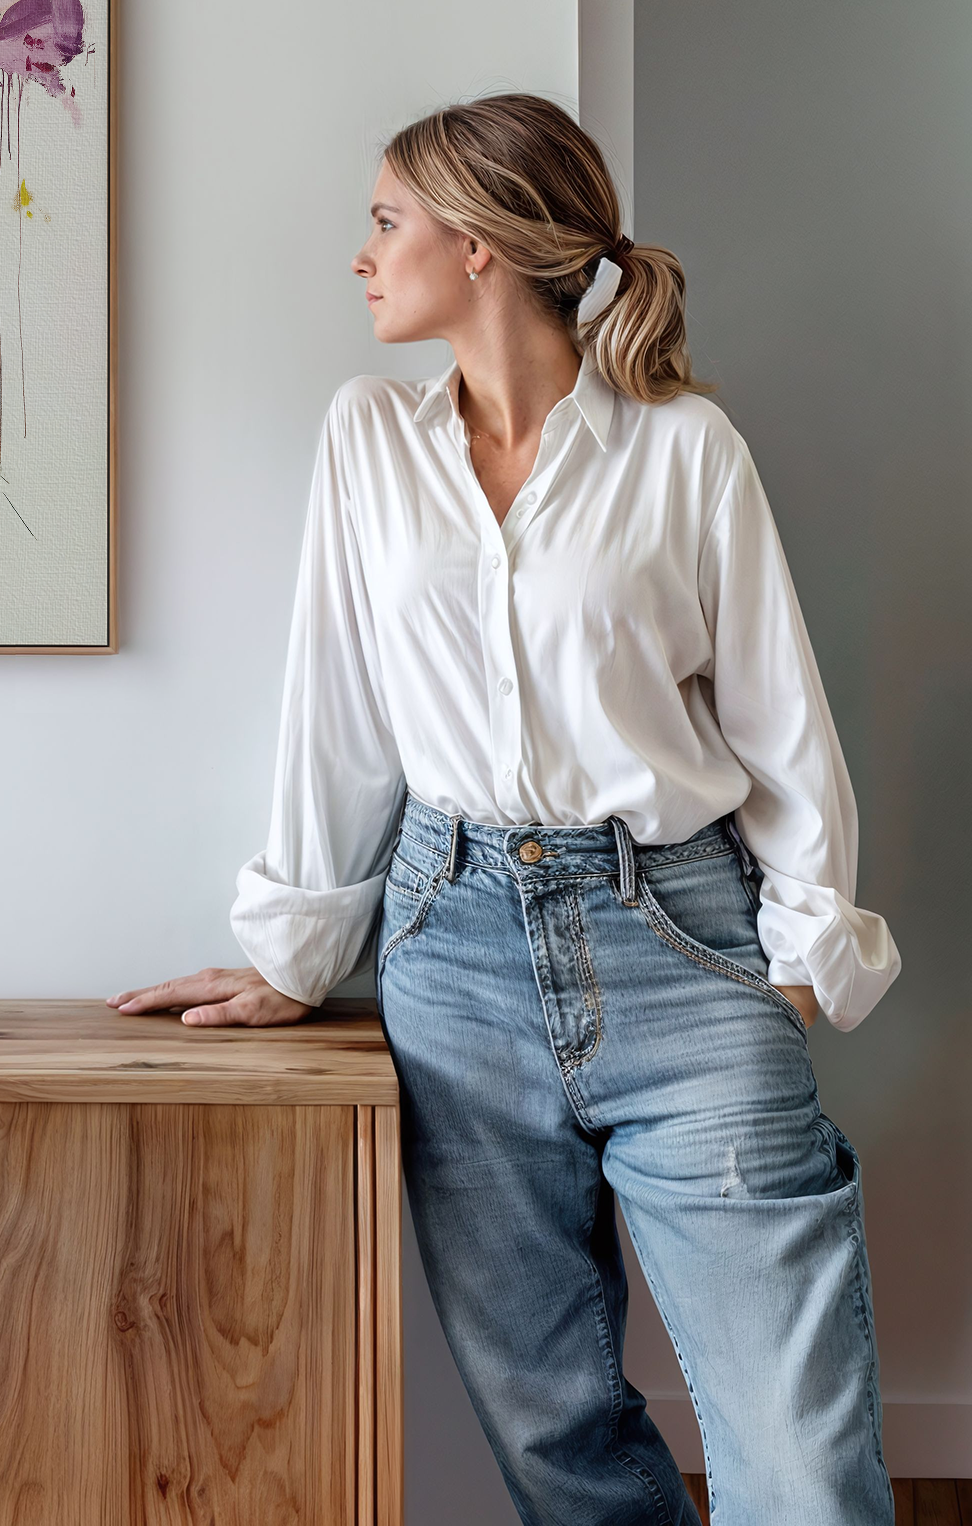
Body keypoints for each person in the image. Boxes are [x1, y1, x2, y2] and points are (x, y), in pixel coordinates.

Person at [109, 95, 900, 1526]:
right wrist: (298, 952)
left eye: (385, 220)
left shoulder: (684, 450)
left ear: (478, 247)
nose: (362, 255)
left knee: (798, 1452)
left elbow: (783, 721)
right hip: (451, 950)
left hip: (682, 937)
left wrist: (796, 958)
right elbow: (335, 710)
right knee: (555, 1437)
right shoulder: (368, 441)